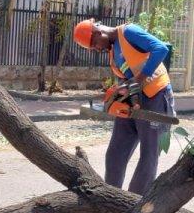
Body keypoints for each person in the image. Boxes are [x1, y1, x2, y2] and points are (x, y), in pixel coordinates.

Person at [73, 19, 176, 195]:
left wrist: (138, 79)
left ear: (98, 32)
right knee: (116, 152)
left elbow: (161, 49)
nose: (97, 49)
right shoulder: (113, 49)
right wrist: (118, 91)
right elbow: (128, 73)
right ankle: (111, 200)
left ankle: (132, 206)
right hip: (133, 99)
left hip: (155, 96)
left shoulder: (129, 32)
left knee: (148, 155)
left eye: (95, 44)